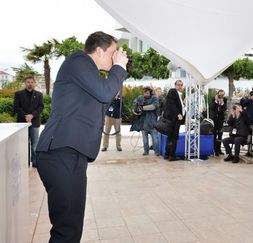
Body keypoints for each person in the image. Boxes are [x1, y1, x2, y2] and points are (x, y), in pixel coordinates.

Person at [35, 31, 128, 242]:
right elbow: (105, 93)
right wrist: (119, 67)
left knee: (71, 228)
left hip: (71, 154)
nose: (115, 57)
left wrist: (118, 72)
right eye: (113, 53)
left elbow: (105, 95)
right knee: (66, 230)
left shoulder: (90, 77)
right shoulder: (78, 60)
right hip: (60, 153)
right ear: (99, 50)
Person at [13, 76, 44, 167]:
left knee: (35, 144)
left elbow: (41, 107)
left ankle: (35, 162)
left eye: (31, 82)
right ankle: (25, 163)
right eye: (28, 82)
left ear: (34, 83)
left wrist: (32, 115)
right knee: (24, 143)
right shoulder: (18, 94)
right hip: (22, 123)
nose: (30, 84)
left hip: (35, 122)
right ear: (25, 83)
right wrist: (25, 116)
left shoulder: (39, 94)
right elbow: (16, 107)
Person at [133, 86, 160, 156]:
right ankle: (146, 151)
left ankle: (156, 152)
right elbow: (135, 104)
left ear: (150, 93)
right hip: (143, 123)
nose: (145, 94)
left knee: (155, 140)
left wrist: (142, 108)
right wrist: (135, 110)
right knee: (145, 140)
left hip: (152, 123)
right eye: (144, 93)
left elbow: (154, 106)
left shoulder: (154, 98)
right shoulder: (140, 98)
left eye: (147, 93)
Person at [163, 80, 185, 161]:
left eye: (181, 85)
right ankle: (172, 156)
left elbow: (176, 105)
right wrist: (178, 114)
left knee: (170, 137)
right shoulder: (173, 91)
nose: (180, 86)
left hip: (175, 119)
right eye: (178, 85)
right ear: (175, 85)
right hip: (174, 119)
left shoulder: (179, 94)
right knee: (174, 137)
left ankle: (167, 154)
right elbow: (171, 104)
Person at [209, 89, 227, 156]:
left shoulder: (224, 99)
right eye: (220, 95)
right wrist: (216, 101)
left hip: (220, 120)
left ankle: (219, 149)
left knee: (220, 134)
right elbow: (211, 107)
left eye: (222, 95)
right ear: (218, 94)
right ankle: (214, 149)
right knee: (214, 135)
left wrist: (222, 103)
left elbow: (224, 109)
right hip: (214, 119)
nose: (221, 96)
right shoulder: (214, 98)